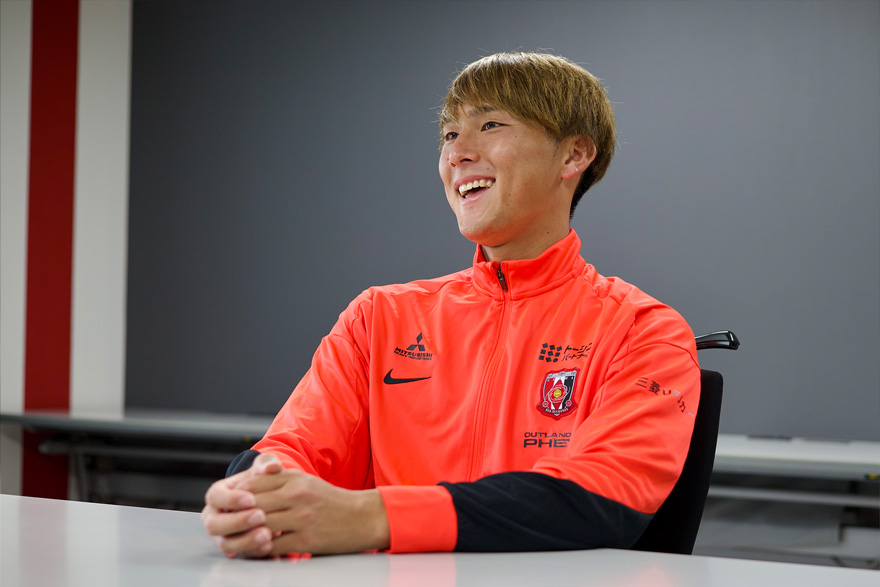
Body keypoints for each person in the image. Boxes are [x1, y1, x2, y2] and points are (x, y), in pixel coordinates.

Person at [201, 52, 700, 557]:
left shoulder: (643, 331)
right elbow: (291, 449)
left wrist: (375, 518)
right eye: (449, 134)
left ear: (574, 155)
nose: (457, 153)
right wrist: (255, 495)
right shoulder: (377, 318)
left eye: (490, 125)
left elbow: (602, 494)